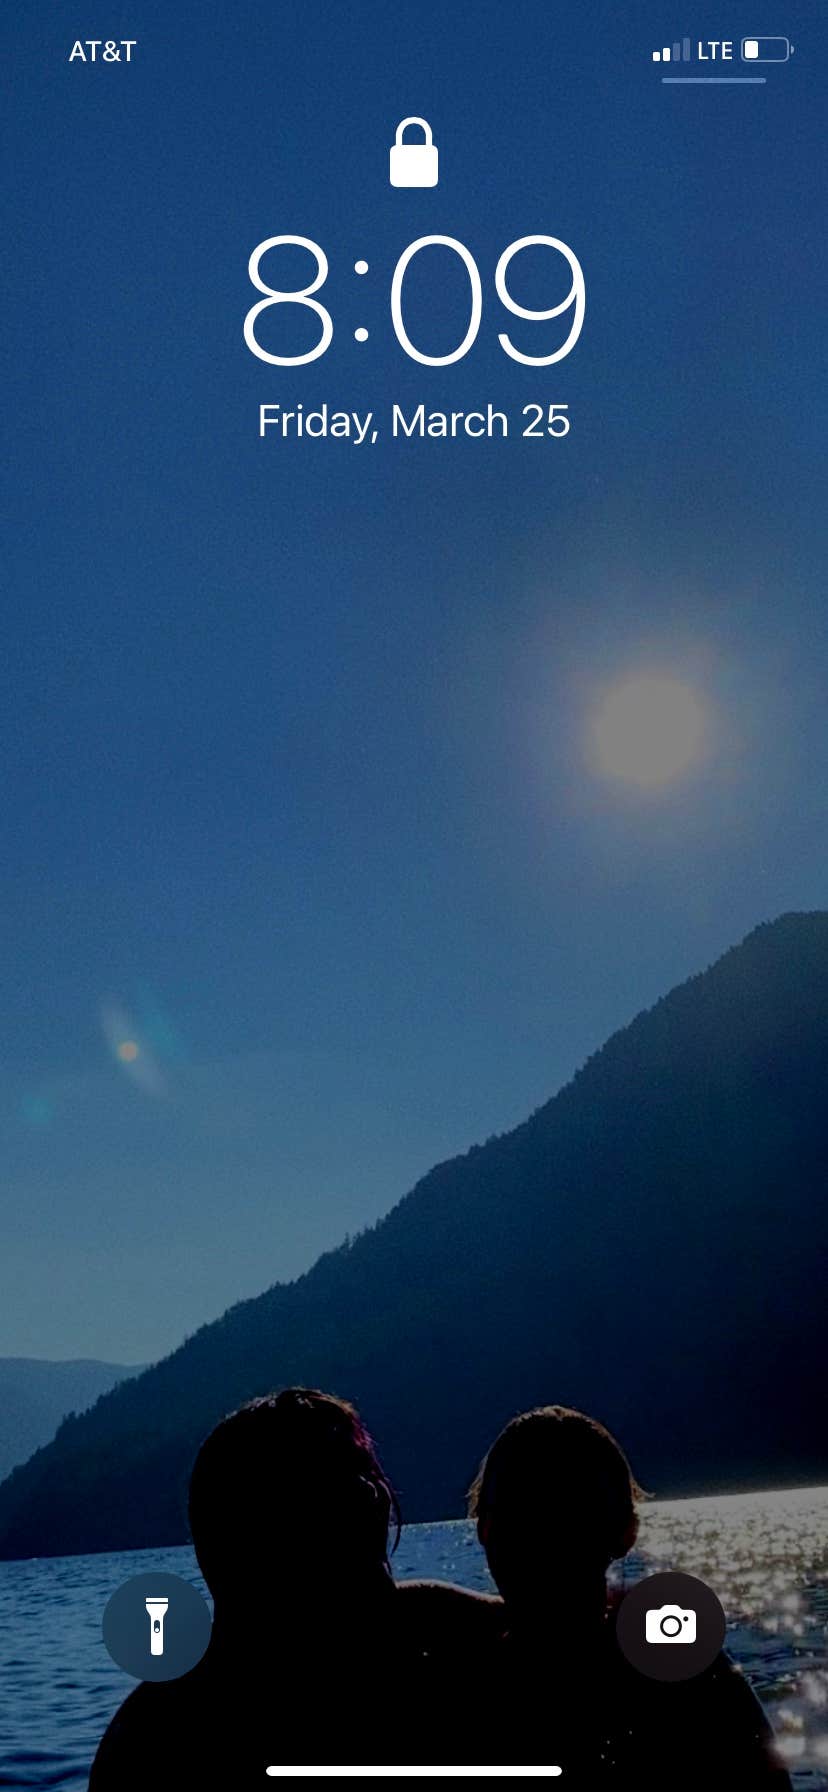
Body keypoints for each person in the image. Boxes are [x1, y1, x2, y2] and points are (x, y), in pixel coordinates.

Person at [90, 1387, 437, 1784]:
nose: (372, 1494)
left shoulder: (153, 1729)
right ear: (251, 1539)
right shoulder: (160, 1743)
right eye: (328, 1483)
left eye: (362, 1473)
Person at [467, 1404, 793, 1787]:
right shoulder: (691, 1674)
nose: (547, 1543)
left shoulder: (460, 1686)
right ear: (627, 1532)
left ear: (485, 1529)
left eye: (565, 1522)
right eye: (530, 1521)